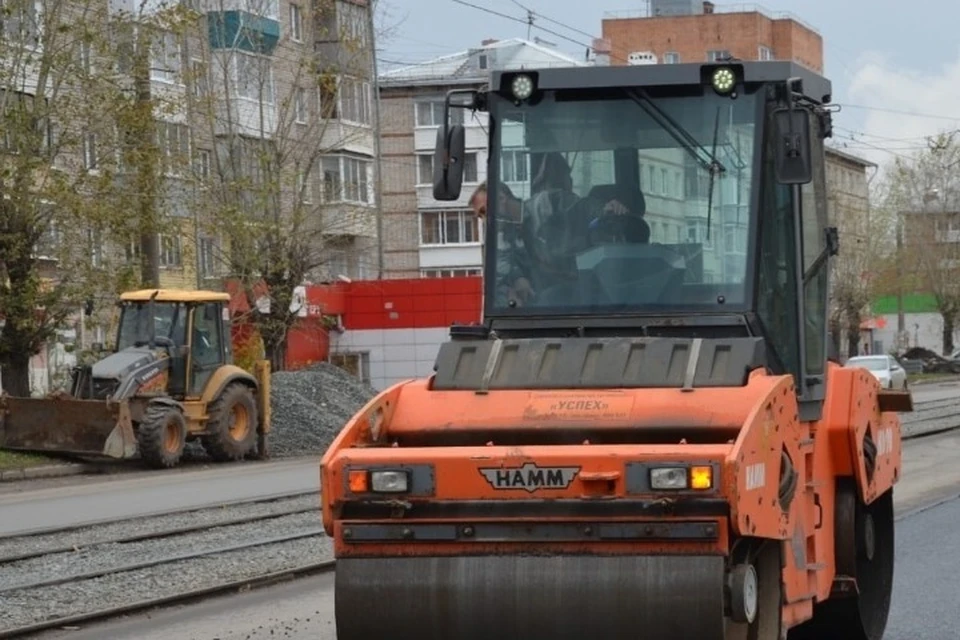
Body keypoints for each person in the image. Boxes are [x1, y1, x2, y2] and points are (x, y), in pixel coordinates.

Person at [469, 181, 535, 306]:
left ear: (501, 198)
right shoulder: (502, 236)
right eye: (480, 216)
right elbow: (500, 273)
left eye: (484, 212)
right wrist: (512, 286)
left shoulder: (538, 215)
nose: (483, 220)